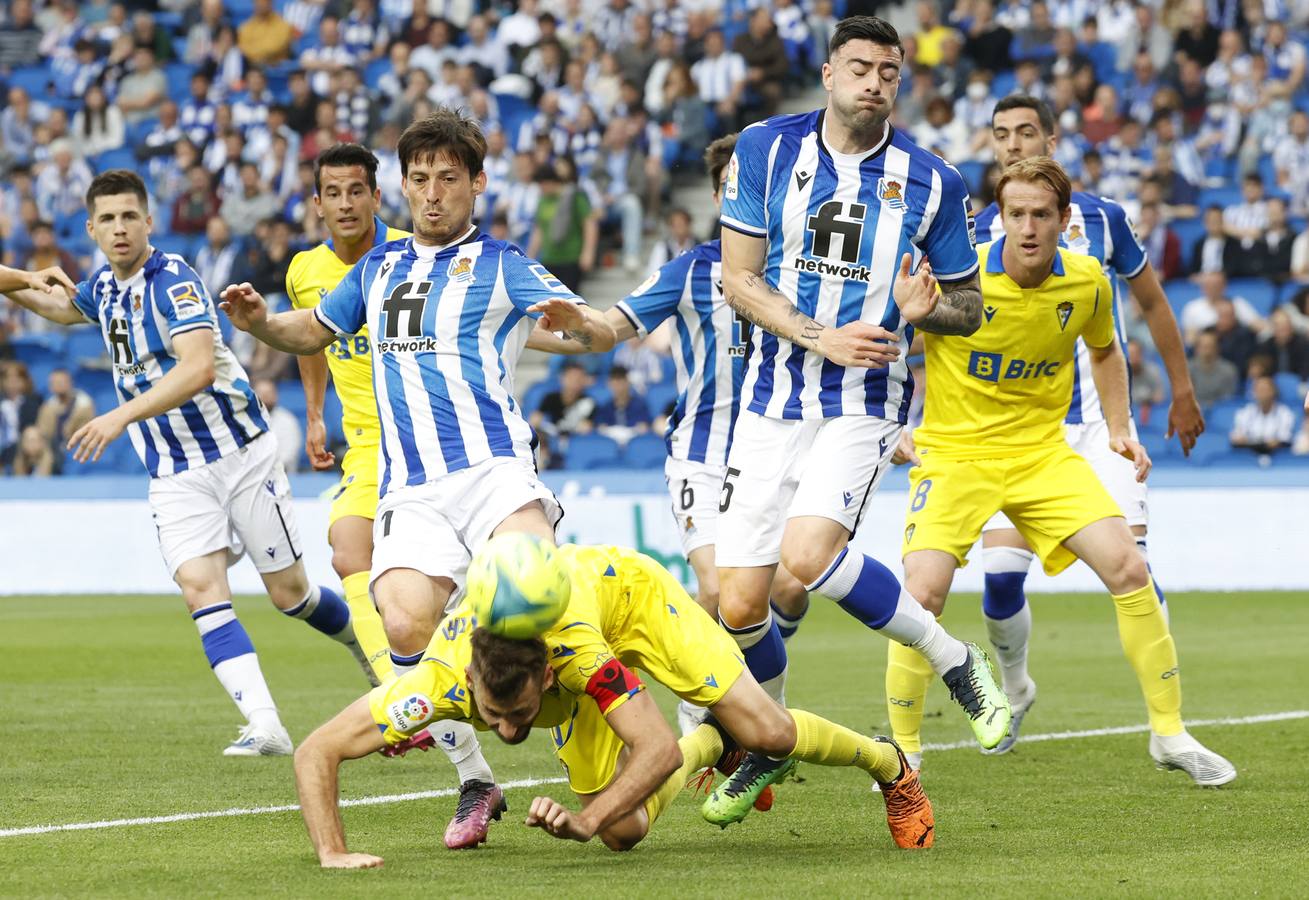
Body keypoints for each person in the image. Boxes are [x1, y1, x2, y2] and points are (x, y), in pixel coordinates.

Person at [219, 110, 616, 835]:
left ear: (477, 183)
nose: (433, 194)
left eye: (449, 179)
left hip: (495, 471)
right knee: (402, 621)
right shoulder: (377, 268)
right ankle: (476, 778)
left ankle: (580, 721)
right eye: (421, 179)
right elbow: (312, 330)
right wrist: (260, 325)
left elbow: (593, 331)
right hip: (413, 488)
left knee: (536, 592)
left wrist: (583, 324)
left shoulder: (503, 263)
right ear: (404, 186)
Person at [709, 15, 1010, 812]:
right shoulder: (765, 150)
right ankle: (768, 740)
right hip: (769, 398)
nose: (873, 81)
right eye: (860, 67)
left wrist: (929, 307)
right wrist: (817, 335)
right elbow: (736, 279)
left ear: (898, 82)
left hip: (863, 396)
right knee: (738, 604)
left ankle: (955, 659)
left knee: (803, 560)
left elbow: (971, 307)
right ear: (828, 72)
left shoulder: (934, 182)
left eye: (888, 70)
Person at [0, 170, 373, 756]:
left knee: (291, 596)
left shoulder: (174, 282)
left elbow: (197, 367)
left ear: (149, 222)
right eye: (109, 220)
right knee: (200, 588)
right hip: (174, 472)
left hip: (239, 454)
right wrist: (19, 276)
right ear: (91, 229)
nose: (120, 229)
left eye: (131, 217)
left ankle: (364, 646)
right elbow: (52, 305)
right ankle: (266, 725)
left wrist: (119, 417)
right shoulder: (103, 289)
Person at [892, 157, 1235, 786]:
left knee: (1130, 567)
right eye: (1015, 214)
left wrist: (1119, 427)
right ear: (999, 218)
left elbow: (1105, 351)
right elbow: (888, 342)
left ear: (1063, 220)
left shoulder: (1087, 282)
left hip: (1042, 456)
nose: (1027, 227)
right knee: (922, 592)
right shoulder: (957, 279)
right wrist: (892, 423)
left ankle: (1169, 732)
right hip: (956, 455)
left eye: (1041, 215)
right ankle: (903, 752)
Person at [292, 542, 936, 869]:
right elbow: (316, 750)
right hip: (571, 662)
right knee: (624, 834)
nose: (510, 732)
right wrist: (332, 851)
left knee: (768, 728)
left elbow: (652, 746)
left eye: (517, 715)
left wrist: (582, 818)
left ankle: (891, 768)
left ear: (547, 675)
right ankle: (714, 743)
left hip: (632, 600)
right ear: (470, 685)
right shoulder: (436, 685)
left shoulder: (578, 656)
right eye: (493, 718)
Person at [954, 95, 1205, 757]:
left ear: (1053, 137)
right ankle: (1015, 688)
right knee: (1001, 578)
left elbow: (1148, 302)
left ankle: (1168, 724)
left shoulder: (1102, 218)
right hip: (1017, 428)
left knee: (1134, 568)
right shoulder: (977, 232)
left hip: (1100, 421)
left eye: (1026, 131)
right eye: (1002, 135)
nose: (1013, 144)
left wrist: (1181, 390)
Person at [35, 368, 95, 466]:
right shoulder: (47, 408)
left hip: (77, 448)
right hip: (52, 450)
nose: (59, 385)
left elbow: (86, 432)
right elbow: (43, 433)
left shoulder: (84, 404)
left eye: (62, 382)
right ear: (50, 386)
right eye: (55, 382)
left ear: (71, 383)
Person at [1230, 375, 1295, 457]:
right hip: (1248, 455)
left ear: (1273, 391)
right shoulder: (1244, 412)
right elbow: (1237, 437)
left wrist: (1274, 442)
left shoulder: (1285, 413)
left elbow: (1285, 438)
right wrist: (1242, 439)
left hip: (1276, 455)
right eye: (1258, 390)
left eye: (1265, 390)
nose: (1261, 393)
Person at [0, 360, 42, 470]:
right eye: (8, 379)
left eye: (17, 379)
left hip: (23, 449)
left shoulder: (33, 403)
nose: (12, 383)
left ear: (24, 382)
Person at [1189, 329, 1240, 408]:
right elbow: (1187, 397)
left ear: (1217, 348)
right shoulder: (1187, 369)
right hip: (1194, 410)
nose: (1206, 350)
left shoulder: (1229, 370)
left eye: (1210, 346)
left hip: (1220, 412)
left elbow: (1228, 399)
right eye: (1203, 346)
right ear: (1196, 349)